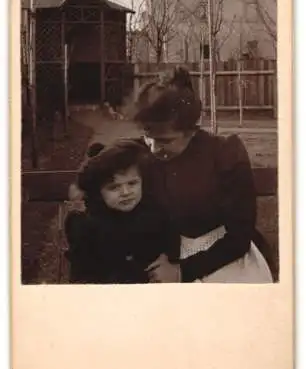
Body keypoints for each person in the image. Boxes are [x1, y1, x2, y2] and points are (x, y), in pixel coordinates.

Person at [130, 66, 273, 283]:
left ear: (191, 131)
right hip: (170, 257)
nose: (153, 148)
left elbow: (240, 235)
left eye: (165, 141)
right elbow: (108, 157)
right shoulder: (146, 153)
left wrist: (182, 272)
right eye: (148, 137)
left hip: (226, 260)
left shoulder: (225, 154)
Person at [64, 140, 181, 284]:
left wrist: (170, 260)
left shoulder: (155, 211)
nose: (126, 192)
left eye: (132, 183)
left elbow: (173, 240)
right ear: (98, 192)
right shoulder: (86, 224)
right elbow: (81, 275)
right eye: (114, 187)